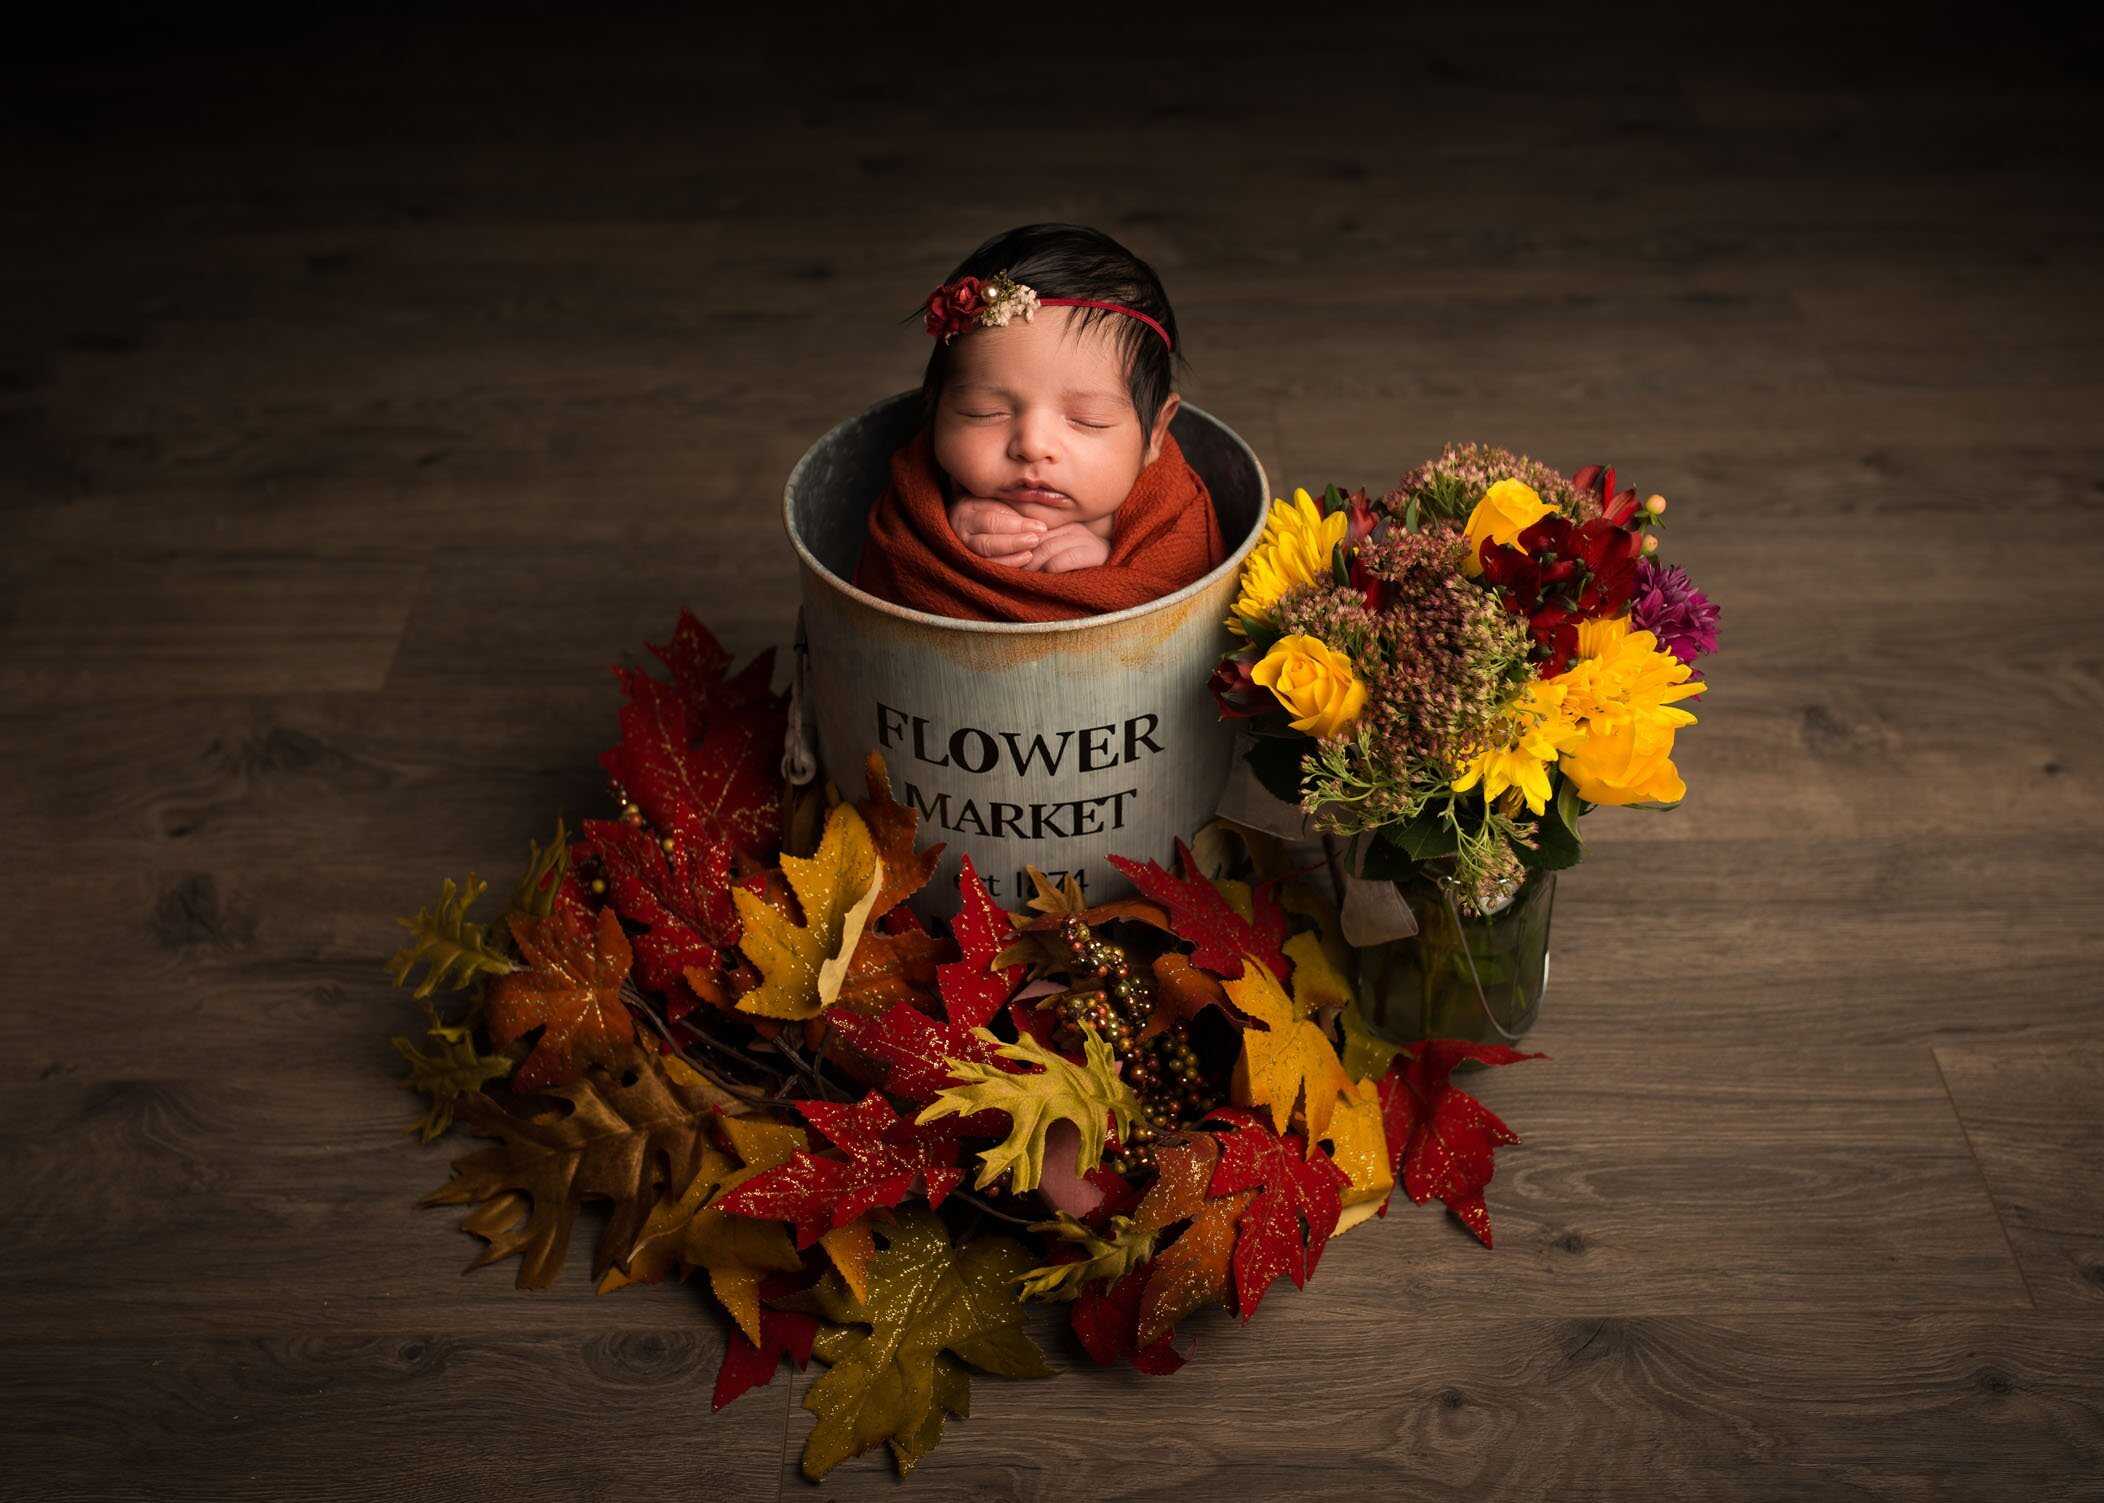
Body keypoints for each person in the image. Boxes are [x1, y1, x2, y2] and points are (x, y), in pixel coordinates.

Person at [852, 223, 1225, 622]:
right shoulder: (920, 510)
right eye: (985, 412)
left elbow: (1181, 621)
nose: (1032, 444)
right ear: (934, 408)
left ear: (1154, 434)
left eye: (1088, 421)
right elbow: (896, 588)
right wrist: (948, 534)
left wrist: (1106, 570)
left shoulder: (1173, 522)